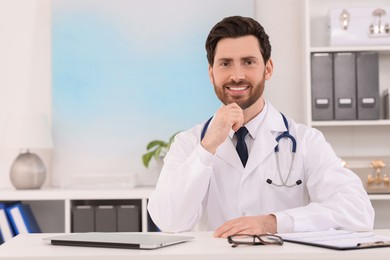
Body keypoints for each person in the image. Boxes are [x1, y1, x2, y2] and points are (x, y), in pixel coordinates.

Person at [147, 15, 374, 238]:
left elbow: (358, 211)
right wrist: (206, 148)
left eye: (248, 62)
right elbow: (168, 221)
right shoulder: (190, 143)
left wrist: (273, 222)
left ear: (268, 68)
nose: (237, 75)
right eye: (225, 64)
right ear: (211, 73)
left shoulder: (306, 141)